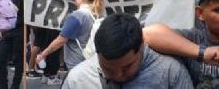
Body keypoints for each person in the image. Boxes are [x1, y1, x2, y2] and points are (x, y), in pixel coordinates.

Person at [62, 13, 193, 88]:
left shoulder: (170, 72)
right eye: (108, 68)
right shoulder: (77, 80)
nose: (118, 75)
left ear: (141, 46)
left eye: (127, 67)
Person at [36, 0, 105, 73]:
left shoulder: (77, 15)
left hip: (76, 65)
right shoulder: (96, 15)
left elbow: (61, 40)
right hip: (90, 62)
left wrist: (43, 54)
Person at [0, 0, 24, 89]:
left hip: (20, 31)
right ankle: (2, 85)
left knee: (18, 60)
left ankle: (15, 85)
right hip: (7, 32)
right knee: (0, 58)